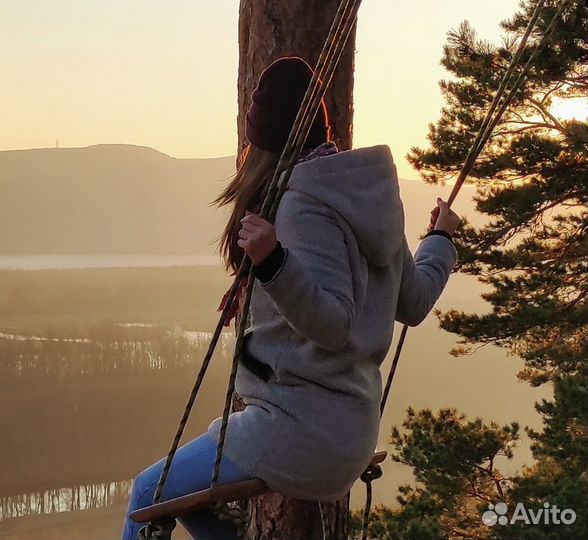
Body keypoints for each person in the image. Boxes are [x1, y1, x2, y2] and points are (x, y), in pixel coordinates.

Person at [121, 56, 460, 540]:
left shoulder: (303, 206)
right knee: (188, 500)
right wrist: (440, 242)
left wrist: (274, 262)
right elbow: (414, 301)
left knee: (145, 496)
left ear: (266, 141)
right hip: (350, 426)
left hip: (299, 426)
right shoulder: (365, 200)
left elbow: (333, 324)